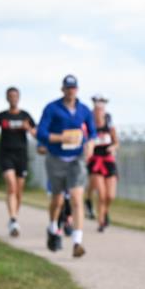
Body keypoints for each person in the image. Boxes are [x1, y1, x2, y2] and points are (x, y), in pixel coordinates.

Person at [36, 74, 96, 257]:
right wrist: (61, 138)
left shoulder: (84, 110)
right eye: (68, 88)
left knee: (77, 199)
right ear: (62, 89)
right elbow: (41, 133)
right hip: (56, 158)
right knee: (58, 199)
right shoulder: (52, 108)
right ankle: (53, 226)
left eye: (74, 88)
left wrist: (90, 145)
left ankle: (77, 242)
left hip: (76, 159)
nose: (71, 91)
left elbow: (92, 132)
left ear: (77, 90)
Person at [0, 87, 37, 237]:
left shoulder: (25, 115)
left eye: (15, 96)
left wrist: (28, 128)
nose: (13, 98)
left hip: (21, 155)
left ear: (19, 97)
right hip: (6, 154)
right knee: (11, 186)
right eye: (10, 96)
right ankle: (13, 219)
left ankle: (14, 216)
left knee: (19, 191)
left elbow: (36, 134)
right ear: (7, 98)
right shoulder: (2, 116)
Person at [86, 95, 119, 232]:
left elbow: (116, 142)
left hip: (108, 161)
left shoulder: (109, 125)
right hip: (95, 161)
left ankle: (105, 211)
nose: (99, 112)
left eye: (101, 110)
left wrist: (113, 147)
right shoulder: (89, 126)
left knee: (110, 195)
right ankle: (101, 221)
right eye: (97, 109)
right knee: (102, 193)